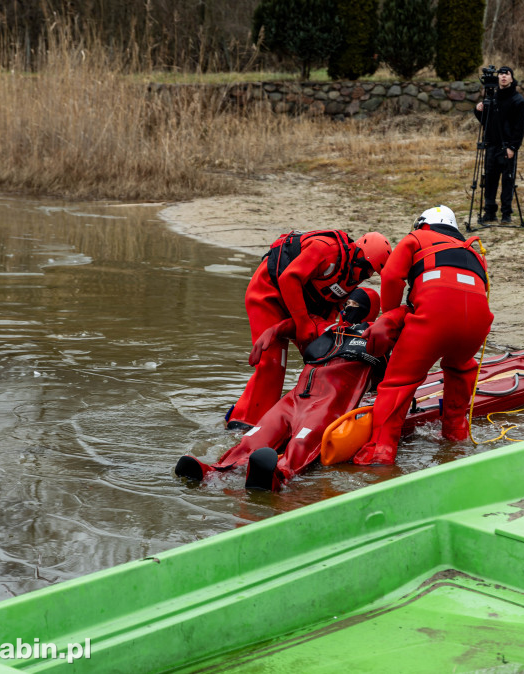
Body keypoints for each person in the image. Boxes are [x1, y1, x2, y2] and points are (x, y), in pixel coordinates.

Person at [175, 288, 406, 489]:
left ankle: (279, 475)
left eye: (356, 305)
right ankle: (214, 471)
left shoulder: (378, 336)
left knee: (300, 445)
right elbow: (297, 323)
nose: (348, 308)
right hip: (293, 400)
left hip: (328, 405)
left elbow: (406, 330)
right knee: (253, 438)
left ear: (369, 310)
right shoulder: (325, 328)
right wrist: (272, 332)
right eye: (347, 304)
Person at [352, 205, 493, 465]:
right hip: (477, 325)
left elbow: (392, 277)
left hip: (433, 319)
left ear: (422, 224)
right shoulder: (474, 252)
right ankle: (455, 440)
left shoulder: (415, 239)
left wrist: (391, 316)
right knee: (461, 369)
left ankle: (379, 455)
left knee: (398, 383)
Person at [226, 229, 392, 429]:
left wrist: (323, 338)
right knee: (273, 363)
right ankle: (244, 422)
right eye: (368, 269)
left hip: (302, 305)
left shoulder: (351, 276)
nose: (367, 275)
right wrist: (301, 323)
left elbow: (331, 305)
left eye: (372, 272)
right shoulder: (326, 249)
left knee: (321, 361)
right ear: (359, 256)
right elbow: (289, 278)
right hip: (269, 294)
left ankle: (305, 416)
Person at [474, 66, 524, 225]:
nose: (503, 77)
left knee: (507, 181)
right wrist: (479, 110)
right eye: (501, 74)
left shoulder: (518, 101)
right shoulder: (493, 98)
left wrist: (513, 147)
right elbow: (486, 122)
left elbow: (519, 128)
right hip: (491, 144)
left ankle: (506, 214)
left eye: (507, 74)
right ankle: (490, 212)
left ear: (512, 78)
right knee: (489, 179)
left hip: (507, 146)